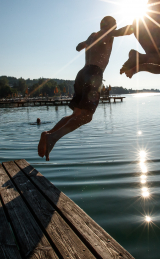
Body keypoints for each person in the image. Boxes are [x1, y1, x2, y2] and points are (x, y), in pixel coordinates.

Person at [38, 16, 133, 161]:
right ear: (112, 25)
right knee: (86, 116)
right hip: (94, 74)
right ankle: (53, 137)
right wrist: (144, 25)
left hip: (82, 74)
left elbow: (78, 47)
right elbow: (126, 31)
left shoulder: (92, 36)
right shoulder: (109, 33)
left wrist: (86, 44)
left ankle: (48, 133)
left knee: (76, 115)